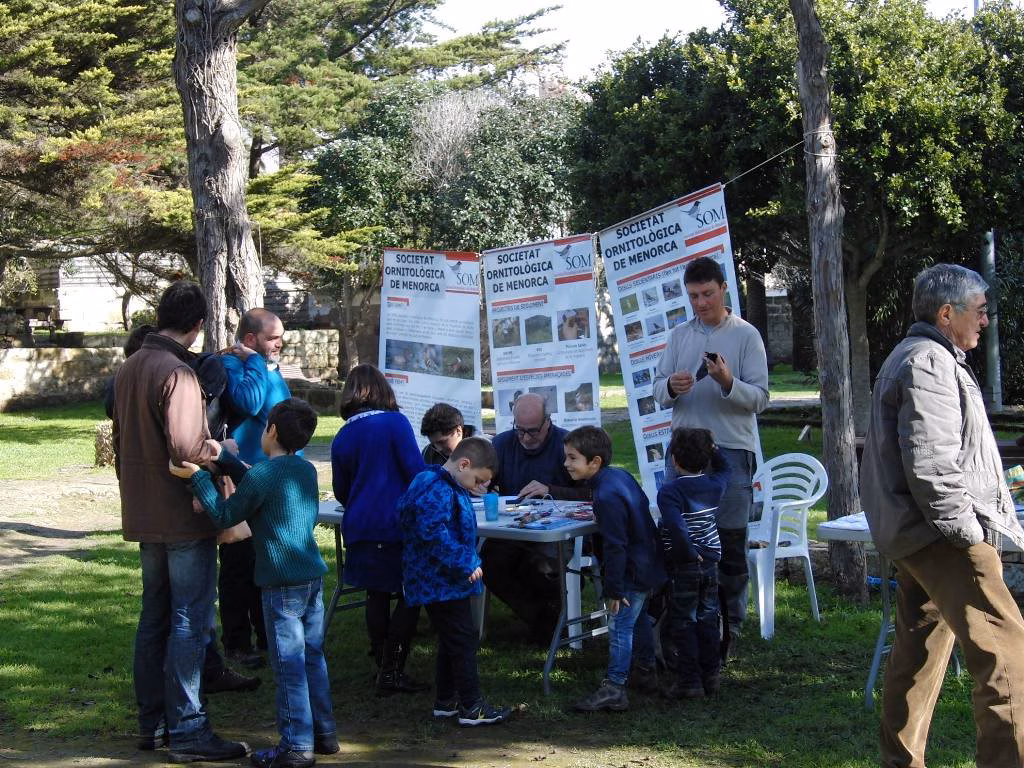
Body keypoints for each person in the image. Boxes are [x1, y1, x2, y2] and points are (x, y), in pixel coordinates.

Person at [860, 263, 1024, 768]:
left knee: (919, 656)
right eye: (980, 311)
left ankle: (900, 762)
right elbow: (931, 464)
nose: (985, 321)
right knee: (1007, 658)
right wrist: (970, 536)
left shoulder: (920, 356)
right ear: (947, 313)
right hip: (941, 536)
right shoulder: (929, 361)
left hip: (915, 535)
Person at [111, 281, 248, 762]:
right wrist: (219, 451)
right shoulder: (177, 372)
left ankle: (154, 725)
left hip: (144, 510)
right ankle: (187, 730)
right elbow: (186, 450)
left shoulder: (129, 366)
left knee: (155, 618)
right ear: (197, 325)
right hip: (181, 514)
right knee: (189, 621)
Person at [171, 398, 339, 768]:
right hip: (312, 578)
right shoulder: (305, 470)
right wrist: (226, 460)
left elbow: (225, 512)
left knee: (288, 664)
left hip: (281, 585)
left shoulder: (266, 475)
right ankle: (324, 733)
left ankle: (296, 746)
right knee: (313, 658)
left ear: (272, 430)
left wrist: (198, 478)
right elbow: (262, 485)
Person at [652, 256, 769, 661]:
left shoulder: (746, 335)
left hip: (731, 451)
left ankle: (730, 622)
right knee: (680, 536)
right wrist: (671, 384)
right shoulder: (679, 334)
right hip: (683, 452)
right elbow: (657, 390)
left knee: (730, 536)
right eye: (693, 296)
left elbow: (761, 398)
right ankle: (684, 614)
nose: (700, 303)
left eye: (707, 293)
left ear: (723, 289)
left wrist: (727, 382)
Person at [397, 437, 513, 727]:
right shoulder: (437, 489)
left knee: (452, 639)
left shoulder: (445, 484)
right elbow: (432, 533)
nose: (478, 487)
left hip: (441, 579)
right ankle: (472, 706)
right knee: (462, 640)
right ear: (464, 464)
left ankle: (446, 701)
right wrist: (465, 560)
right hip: (439, 580)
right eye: (478, 479)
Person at [330, 364, 428, 695]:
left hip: (361, 524)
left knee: (376, 593)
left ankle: (382, 663)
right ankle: (391, 669)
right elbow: (416, 472)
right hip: (394, 523)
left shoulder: (343, 434)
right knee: (411, 593)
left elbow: (341, 488)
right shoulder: (395, 423)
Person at [563, 426, 665, 712]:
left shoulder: (606, 496)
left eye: (572, 458)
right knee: (639, 619)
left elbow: (616, 546)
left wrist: (614, 588)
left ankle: (615, 686)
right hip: (648, 563)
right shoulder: (619, 476)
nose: (566, 464)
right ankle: (645, 672)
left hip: (631, 570)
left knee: (620, 626)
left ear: (594, 462)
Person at [482, 393, 591, 641]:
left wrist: (551, 491)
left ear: (547, 422)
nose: (526, 438)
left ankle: (550, 616)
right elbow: (484, 483)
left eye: (532, 431)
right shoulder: (501, 444)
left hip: (559, 532)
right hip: (512, 530)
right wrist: (480, 486)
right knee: (489, 562)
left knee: (548, 566)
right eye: (519, 430)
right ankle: (542, 619)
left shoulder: (568, 446)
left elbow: (592, 492)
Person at [217, 308, 291, 668]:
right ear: (250, 340)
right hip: (243, 477)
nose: (279, 343)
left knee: (266, 560)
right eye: (272, 338)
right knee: (238, 562)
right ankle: (237, 642)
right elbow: (246, 402)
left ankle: (265, 634)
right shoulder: (234, 365)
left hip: (275, 477)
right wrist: (255, 364)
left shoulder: (266, 366)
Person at [656, 427, 730, 700]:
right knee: (708, 617)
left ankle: (689, 680)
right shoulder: (714, 484)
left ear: (674, 459)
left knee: (683, 621)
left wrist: (687, 552)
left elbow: (676, 527)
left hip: (684, 565)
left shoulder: (670, 492)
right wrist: (714, 449)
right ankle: (711, 674)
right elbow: (726, 468)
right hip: (710, 560)